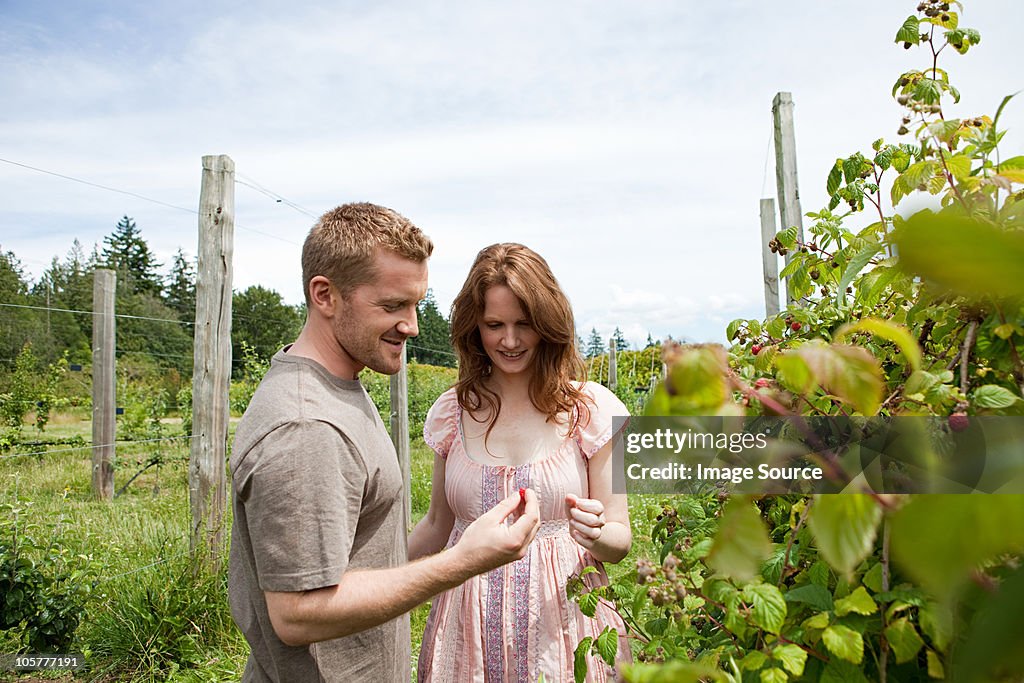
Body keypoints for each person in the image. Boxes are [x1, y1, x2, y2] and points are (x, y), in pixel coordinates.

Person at [228, 204, 540, 683]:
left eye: (415, 304)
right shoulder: (307, 427)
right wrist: (463, 561)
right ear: (325, 295)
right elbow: (296, 615)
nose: (412, 325)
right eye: (393, 306)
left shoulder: (339, 387)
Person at [409, 243, 632, 682]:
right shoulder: (452, 411)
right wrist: (364, 585)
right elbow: (436, 524)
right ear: (475, 326)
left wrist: (597, 533)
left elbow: (620, 540)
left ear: (548, 324)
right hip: (465, 631)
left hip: (564, 628)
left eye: (524, 325)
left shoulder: (591, 409)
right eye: (495, 325)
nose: (509, 341)